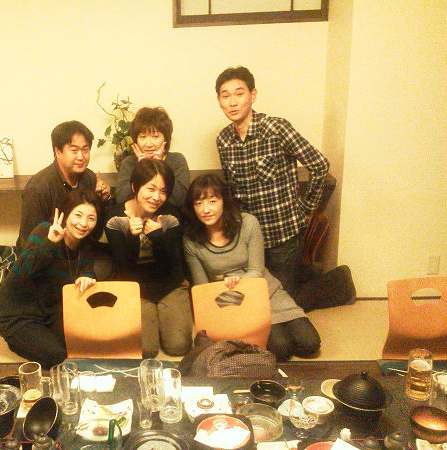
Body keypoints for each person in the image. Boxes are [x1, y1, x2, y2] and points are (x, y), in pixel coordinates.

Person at [215, 66, 329, 296]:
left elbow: (320, 165)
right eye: (225, 96)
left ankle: (338, 284)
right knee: (255, 299)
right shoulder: (223, 140)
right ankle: (314, 275)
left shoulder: (276, 128)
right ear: (219, 101)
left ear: (253, 95)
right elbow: (231, 190)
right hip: (248, 239)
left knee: (285, 299)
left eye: (239, 93)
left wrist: (307, 208)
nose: (233, 102)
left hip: (282, 235)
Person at [182, 174, 320, 361]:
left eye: (212, 201)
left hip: (265, 291)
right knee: (281, 348)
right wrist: (226, 292)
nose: (205, 209)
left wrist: (239, 281)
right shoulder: (191, 239)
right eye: (198, 203)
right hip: (229, 300)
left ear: (224, 201)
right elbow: (202, 287)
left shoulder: (247, 223)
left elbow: (256, 271)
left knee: (310, 343)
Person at [0, 189, 103, 368]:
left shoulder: (86, 245)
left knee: (82, 344)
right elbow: (23, 271)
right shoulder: (45, 230)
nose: (83, 223)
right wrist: (50, 243)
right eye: (78, 215)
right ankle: (14, 340)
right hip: (17, 312)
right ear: (65, 214)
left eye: (91, 218)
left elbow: (87, 269)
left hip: (50, 310)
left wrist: (87, 276)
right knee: (58, 357)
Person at [105, 159, 193, 358]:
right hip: (136, 287)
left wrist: (158, 237)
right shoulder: (115, 218)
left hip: (170, 284)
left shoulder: (171, 215)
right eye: (151, 189)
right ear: (134, 187)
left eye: (163, 191)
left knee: (178, 346)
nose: (156, 197)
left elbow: (174, 264)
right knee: (146, 350)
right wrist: (131, 237)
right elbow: (123, 267)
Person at [16, 120, 111, 251]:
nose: (81, 157)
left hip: (79, 249)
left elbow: (95, 232)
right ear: (58, 151)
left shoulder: (89, 178)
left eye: (85, 150)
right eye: (74, 150)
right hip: (48, 253)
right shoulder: (38, 188)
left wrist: (102, 200)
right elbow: (28, 242)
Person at [116, 107, 189, 208]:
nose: (149, 144)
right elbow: (121, 199)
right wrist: (142, 168)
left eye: (155, 136)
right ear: (136, 140)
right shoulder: (129, 162)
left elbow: (181, 199)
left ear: (165, 139)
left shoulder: (177, 160)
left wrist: (160, 166)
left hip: (170, 215)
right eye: (143, 137)